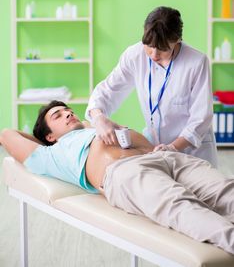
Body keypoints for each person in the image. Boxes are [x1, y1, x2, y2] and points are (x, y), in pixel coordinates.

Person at [1, 100, 234, 255]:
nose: (68, 113)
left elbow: (142, 142)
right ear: (50, 136)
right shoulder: (50, 154)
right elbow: (6, 135)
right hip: (126, 173)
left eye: (68, 110)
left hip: (165, 157)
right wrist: (42, 139)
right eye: (57, 115)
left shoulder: (96, 129)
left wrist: (91, 125)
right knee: (183, 207)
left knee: (225, 190)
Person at [85, 6, 218, 167]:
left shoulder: (196, 62)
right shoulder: (134, 55)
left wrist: (173, 147)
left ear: (177, 40)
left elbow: (201, 117)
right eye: (149, 45)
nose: (154, 54)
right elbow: (108, 89)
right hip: (155, 148)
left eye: (162, 49)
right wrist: (99, 118)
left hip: (192, 151)